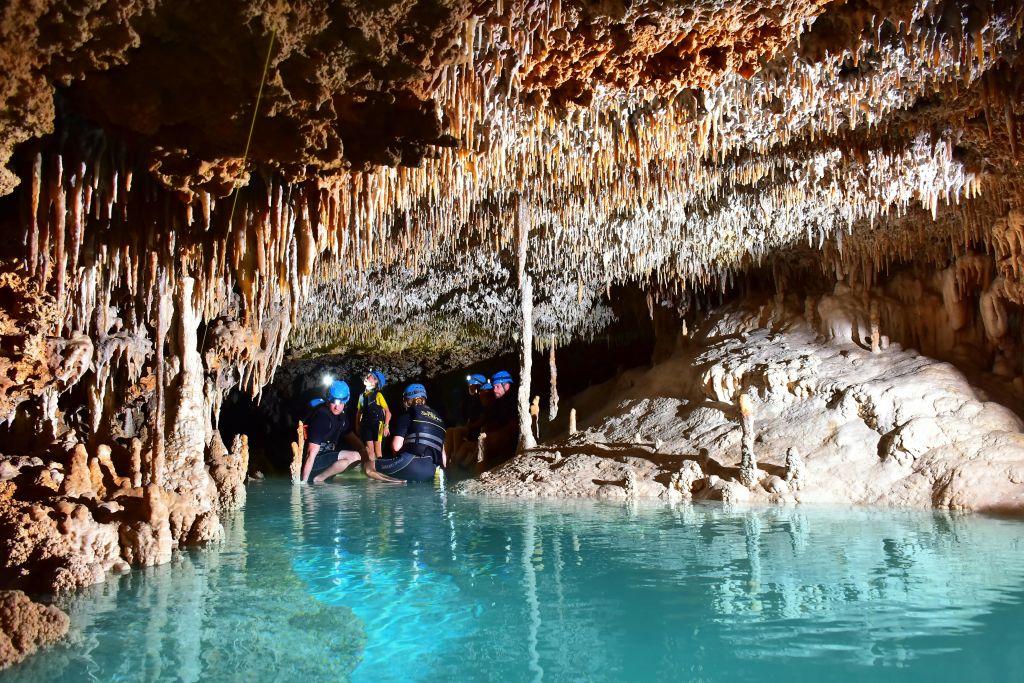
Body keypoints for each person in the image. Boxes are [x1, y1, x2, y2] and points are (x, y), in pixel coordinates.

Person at [302, 380, 398, 484]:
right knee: (355, 456)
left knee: (353, 458)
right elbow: (310, 454)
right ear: (328, 400)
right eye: (334, 401)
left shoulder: (342, 418)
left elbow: (357, 443)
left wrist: (369, 464)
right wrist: (303, 483)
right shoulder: (322, 417)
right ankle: (318, 479)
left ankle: (323, 478)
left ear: (346, 401)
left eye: (341, 402)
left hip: (325, 459)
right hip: (314, 462)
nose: (337, 406)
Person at [371, 383, 447, 482]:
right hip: (431, 471)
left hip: (410, 464)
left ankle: (397, 482)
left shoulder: (408, 415)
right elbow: (444, 459)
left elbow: (396, 447)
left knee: (368, 466)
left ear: (407, 400)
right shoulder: (439, 420)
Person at [478, 370, 518, 471]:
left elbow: (514, 425)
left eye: (497, 386)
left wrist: (492, 435)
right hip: (503, 437)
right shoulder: (500, 403)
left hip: (512, 439)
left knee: (484, 439)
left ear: (507, 385)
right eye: (494, 387)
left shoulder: (515, 400)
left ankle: (480, 471)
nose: (494, 390)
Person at [445, 373, 487, 468]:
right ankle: (446, 460)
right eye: (469, 385)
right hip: (469, 427)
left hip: (476, 429)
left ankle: (456, 457)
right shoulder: (469, 399)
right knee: (450, 431)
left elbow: (483, 418)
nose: (470, 387)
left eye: (472, 385)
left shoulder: (482, 398)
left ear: (478, 386)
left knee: (457, 431)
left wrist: (470, 426)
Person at [356, 369, 391, 463]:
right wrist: (357, 425)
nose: (367, 376)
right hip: (366, 425)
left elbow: (388, 412)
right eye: (368, 375)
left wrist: (386, 426)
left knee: (378, 450)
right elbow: (359, 412)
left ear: (376, 381)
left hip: (377, 425)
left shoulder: (378, 395)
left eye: (370, 376)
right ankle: (372, 471)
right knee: (370, 451)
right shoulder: (361, 396)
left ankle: (380, 469)